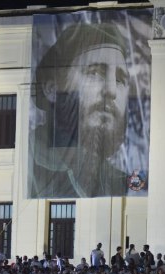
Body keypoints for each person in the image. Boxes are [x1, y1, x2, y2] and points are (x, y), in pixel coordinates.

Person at [30, 23, 134, 198]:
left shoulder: (122, 183)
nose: (111, 90)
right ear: (52, 88)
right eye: (94, 73)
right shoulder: (25, 163)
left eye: (120, 79)